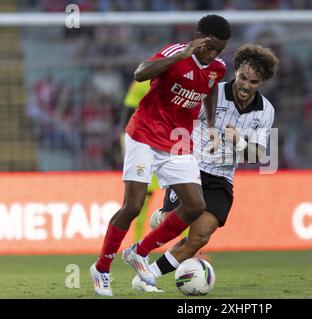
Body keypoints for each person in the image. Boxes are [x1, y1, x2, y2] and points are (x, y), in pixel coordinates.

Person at [89, 14, 231, 296]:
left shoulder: (218, 68)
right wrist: (181, 55)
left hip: (178, 140)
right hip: (144, 134)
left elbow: (211, 87)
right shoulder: (175, 54)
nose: (213, 53)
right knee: (133, 206)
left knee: (193, 206)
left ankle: (138, 252)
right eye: (210, 46)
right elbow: (140, 73)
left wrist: (212, 124)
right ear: (197, 37)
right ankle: (102, 268)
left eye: (219, 50)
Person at [131, 43, 279, 291]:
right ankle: (163, 217)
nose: (245, 85)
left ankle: (149, 275)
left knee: (199, 236)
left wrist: (240, 142)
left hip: (222, 178)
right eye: (243, 77)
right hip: (192, 168)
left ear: (261, 82)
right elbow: (180, 118)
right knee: (171, 223)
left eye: (253, 82)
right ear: (236, 72)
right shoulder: (214, 93)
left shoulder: (266, 111)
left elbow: (261, 155)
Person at [119, 80, 160, 241]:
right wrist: (127, 153)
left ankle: (188, 248)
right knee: (140, 200)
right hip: (146, 147)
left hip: (172, 145)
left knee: (185, 198)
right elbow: (127, 117)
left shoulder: (186, 81)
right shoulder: (142, 83)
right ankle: (136, 244)